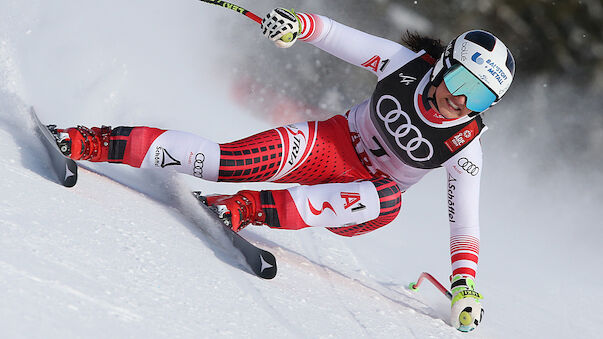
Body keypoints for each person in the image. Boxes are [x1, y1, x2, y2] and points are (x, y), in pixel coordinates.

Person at [50, 8, 515, 332]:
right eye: (459, 84)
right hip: (329, 143)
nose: (460, 103)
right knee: (225, 161)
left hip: (361, 198)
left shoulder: (465, 145)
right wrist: (297, 26)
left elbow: (464, 225)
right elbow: (336, 36)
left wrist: (465, 285)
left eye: (478, 100)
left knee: (389, 198)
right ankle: (85, 139)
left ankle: (244, 209)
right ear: (442, 67)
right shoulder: (405, 66)